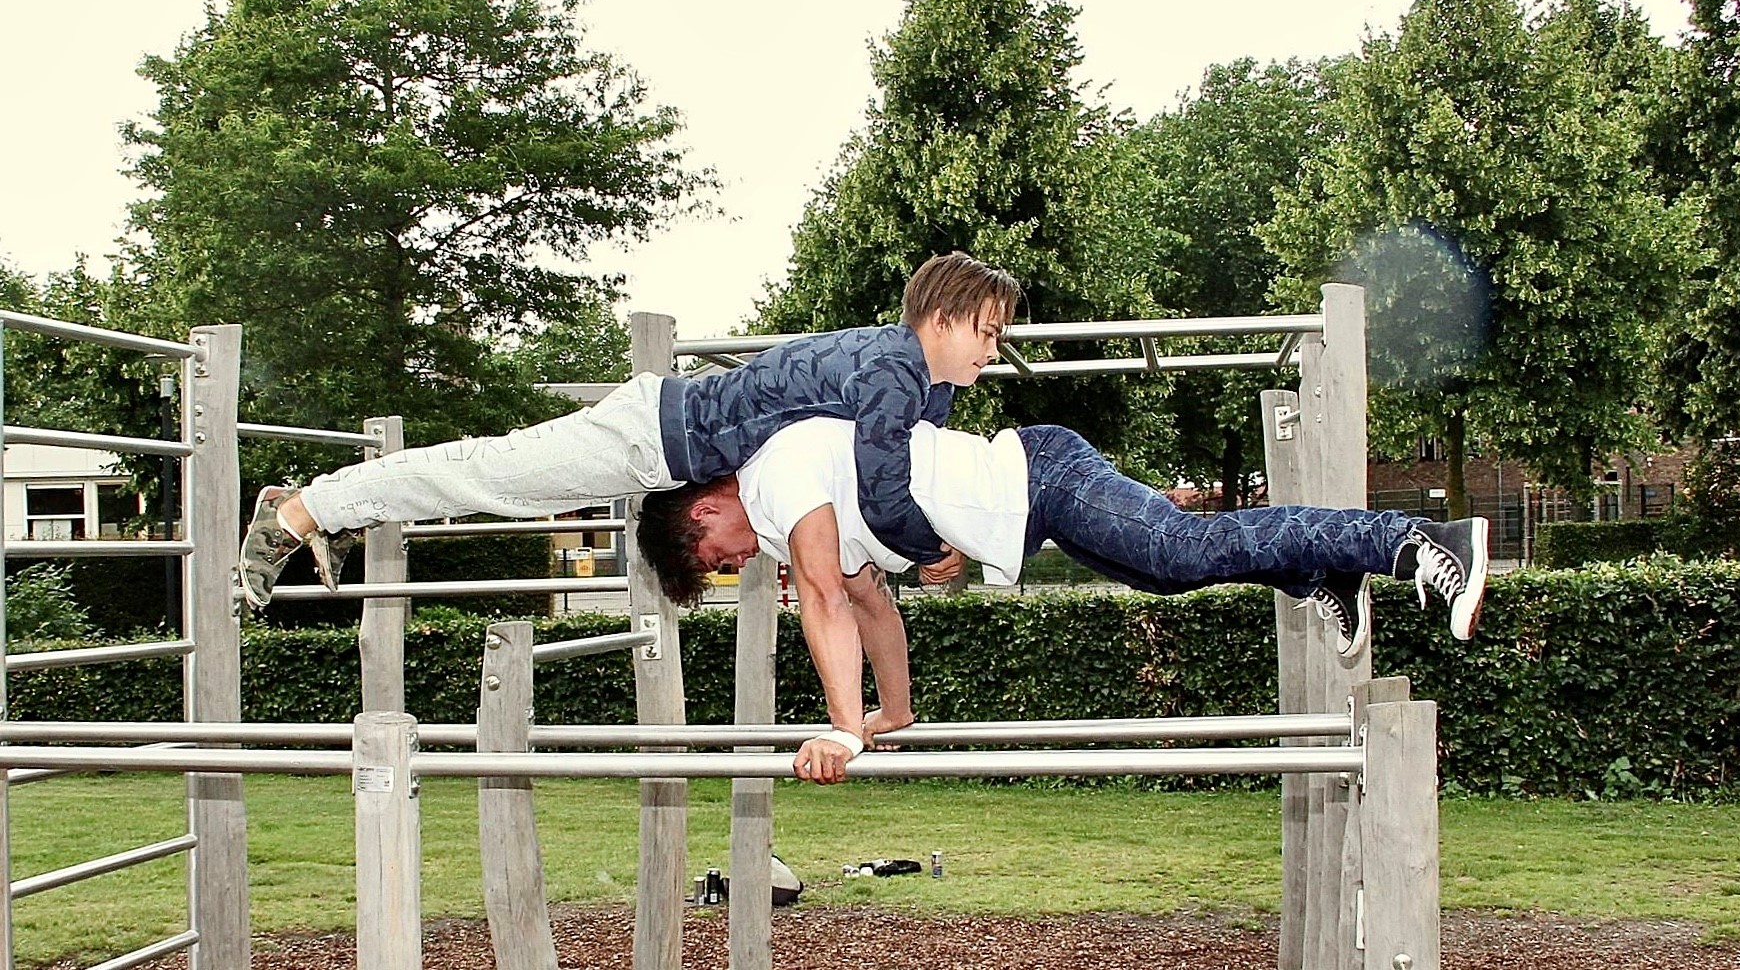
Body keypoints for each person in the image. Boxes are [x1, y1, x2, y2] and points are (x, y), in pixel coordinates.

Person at [634, 417, 1489, 785]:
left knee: (1180, 548)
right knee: (1164, 570)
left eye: (714, 556)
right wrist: (890, 711)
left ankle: (1416, 541)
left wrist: (840, 726)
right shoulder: (791, 518)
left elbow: (825, 597)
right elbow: (869, 606)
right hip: (1035, 501)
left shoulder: (776, 478)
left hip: (1041, 475)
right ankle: (1319, 571)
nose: (731, 563)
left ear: (704, 510)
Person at [237, 251, 1021, 607]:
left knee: (491, 481)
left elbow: (885, 497)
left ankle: (329, 511)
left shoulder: (924, 391)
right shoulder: (892, 368)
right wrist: (929, 549)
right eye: (986, 331)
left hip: (663, 444)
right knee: (490, 478)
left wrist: (929, 548)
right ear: (941, 319)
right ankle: (303, 509)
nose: (993, 349)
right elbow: (886, 496)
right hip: (648, 434)